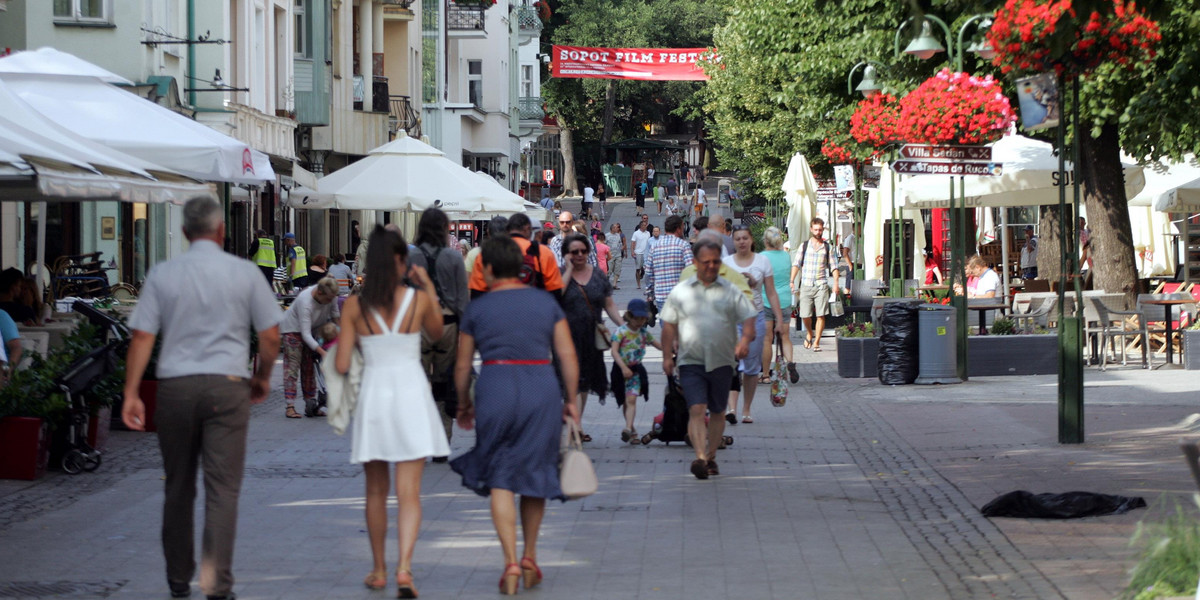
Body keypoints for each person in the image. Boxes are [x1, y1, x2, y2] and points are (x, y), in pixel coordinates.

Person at [121, 196, 282, 600]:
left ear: (185, 232)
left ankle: (178, 579)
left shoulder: (163, 273)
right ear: (221, 231)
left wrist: (131, 393)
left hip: (175, 386)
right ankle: (216, 585)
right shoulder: (244, 273)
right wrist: (262, 377)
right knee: (222, 489)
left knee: (177, 486)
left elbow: (142, 336)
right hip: (228, 386)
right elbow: (270, 336)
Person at [450, 235, 580, 596]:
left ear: (488, 268)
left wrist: (463, 402)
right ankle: (530, 556)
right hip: (541, 386)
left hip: (495, 386)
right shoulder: (545, 303)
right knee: (536, 472)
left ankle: (508, 561)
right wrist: (570, 399)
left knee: (501, 477)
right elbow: (567, 356)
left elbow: (462, 367)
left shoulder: (477, 309)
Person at [335, 225, 449, 597]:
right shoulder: (417, 300)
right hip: (411, 392)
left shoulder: (354, 305)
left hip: (375, 394)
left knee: (374, 492)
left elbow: (340, 364)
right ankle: (404, 570)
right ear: (402, 260)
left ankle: (379, 569)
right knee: (410, 493)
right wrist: (426, 286)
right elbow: (436, 331)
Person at [660, 238, 756, 480]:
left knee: (717, 411)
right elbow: (669, 325)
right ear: (695, 262)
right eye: (706, 262)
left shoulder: (730, 290)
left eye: (716, 262)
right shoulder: (681, 291)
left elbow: (749, 316)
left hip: (723, 360)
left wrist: (744, 341)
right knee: (696, 408)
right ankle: (701, 457)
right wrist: (666, 357)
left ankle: (711, 455)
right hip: (690, 359)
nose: (711, 266)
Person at [408, 208, 470, 453]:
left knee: (419, 382)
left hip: (419, 325)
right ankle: (442, 440)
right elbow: (463, 299)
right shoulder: (454, 258)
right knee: (444, 383)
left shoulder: (410, 258)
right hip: (448, 323)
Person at [559, 233, 623, 442]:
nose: (579, 255)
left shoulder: (597, 275)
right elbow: (556, 295)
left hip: (591, 337)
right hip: (566, 337)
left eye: (583, 251)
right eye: (574, 252)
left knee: (584, 382)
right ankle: (574, 425)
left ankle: (575, 423)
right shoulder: (561, 274)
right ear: (567, 254)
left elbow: (609, 304)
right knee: (572, 382)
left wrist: (625, 327)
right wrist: (568, 270)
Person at [723, 225, 785, 425]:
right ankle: (731, 408)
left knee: (750, 366)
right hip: (731, 318)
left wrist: (779, 319)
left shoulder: (762, 261)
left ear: (751, 240)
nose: (741, 241)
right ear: (733, 241)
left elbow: (771, 292)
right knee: (731, 364)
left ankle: (746, 409)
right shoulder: (726, 263)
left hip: (756, 316)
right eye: (738, 238)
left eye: (745, 238)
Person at [280, 277, 341, 418]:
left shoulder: (331, 297)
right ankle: (290, 406)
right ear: (319, 293)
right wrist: (323, 353)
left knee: (309, 368)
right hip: (292, 330)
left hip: (311, 330)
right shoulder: (305, 302)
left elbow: (336, 318)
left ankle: (310, 405)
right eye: (328, 298)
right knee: (293, 367)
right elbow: (305, 334)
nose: (330, 301)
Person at [610, 298, 660, 445]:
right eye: (637, 318)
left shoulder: (644, 333)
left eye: (643, 319)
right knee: (625, 401)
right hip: (620, 370)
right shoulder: (621, 332)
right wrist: (623, 368)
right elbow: (614, 352)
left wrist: (672, 349)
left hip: (635, 371)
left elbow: (658, 345)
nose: (640, 322)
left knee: (631, 399)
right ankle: (632, 430)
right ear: (629, 316)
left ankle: (627, 428)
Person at [789, 218, 834, 352]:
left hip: (821, 285)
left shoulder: (827, 247)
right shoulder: (804, 246)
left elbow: (834, 266)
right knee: (805, 315)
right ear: (811, 229)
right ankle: (810, 332)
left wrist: (836, 283)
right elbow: (796, 264)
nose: (818, 232)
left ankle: (817, 342)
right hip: (806, 284)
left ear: (823, 229)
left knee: (821, 315)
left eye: (820, 229)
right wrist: (791, 281)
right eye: (815, 229)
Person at [760, 226, 798, 385]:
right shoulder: (786, 256)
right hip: (783, 300)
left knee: (767, 339)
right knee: (785, 336)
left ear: (765, 241)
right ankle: (790, 361)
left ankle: (766, 375)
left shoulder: (762, 257)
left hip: (766, 300)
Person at [644, 215, 693, 312]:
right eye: (683, 227)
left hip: (661, 296)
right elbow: (690, 271)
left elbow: (649, 273)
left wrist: (650, 293)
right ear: (678, 229)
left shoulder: (655, 246)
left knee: (666, 326)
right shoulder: (683, 245)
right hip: (680, 297)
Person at [630, 221, 652, 289]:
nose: (645, 227)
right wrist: (632, 251)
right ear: (641, 226)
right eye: (644, 225)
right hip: (638, 252)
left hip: (646, 253)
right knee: (638, 268)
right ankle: (638, 284)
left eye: (646, 225)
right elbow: (633, 242)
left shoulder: (648, 233)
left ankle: (646, 281)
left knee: (645, 268)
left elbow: (649, 242)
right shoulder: (636, 233)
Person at [605, 223, 625, 289]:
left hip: (618, 254)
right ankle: (606, 283)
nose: (617, 229)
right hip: (610, 255)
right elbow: (604, 244)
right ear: (612, 228)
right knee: (609, 270)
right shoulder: (607, 235)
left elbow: (620, 243)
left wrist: (621, 247)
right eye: (616, 228)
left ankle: (614, 284)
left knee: (617, 269)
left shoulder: (618, 235)